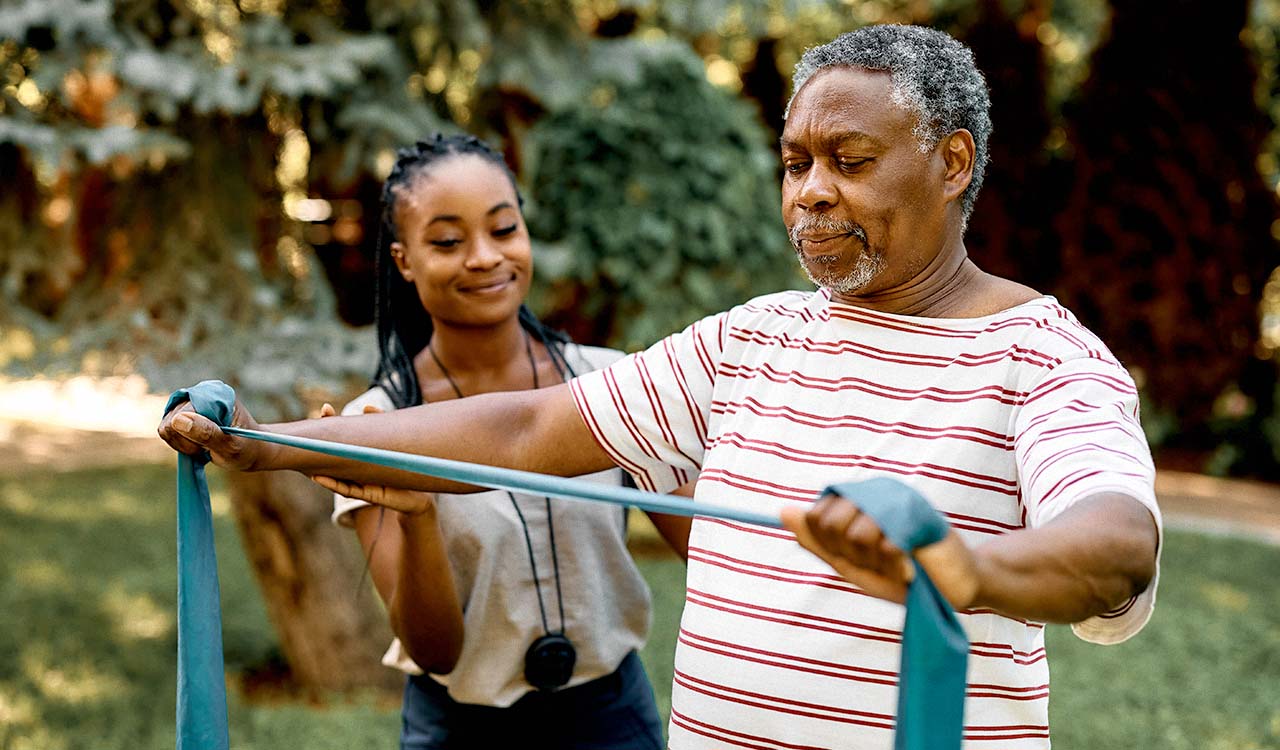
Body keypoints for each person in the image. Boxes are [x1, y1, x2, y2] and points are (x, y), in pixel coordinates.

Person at [159, 25, 1161, 749]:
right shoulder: (751, 337)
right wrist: (267, 444)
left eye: (848, 160)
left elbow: (1114, 547)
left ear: (949, 165)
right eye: (794, 161)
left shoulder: (1041, 356)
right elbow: (525, 430)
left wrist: (968, 574)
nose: (809, 189)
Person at [313, 134, 688, 749]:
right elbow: (434, 652)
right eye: (447, 242)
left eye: (503, 228)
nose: (485, 257)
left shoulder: (611, 384)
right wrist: (419, 515)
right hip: (459, 727)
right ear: (405, 260)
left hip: (612, 715)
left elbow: (711, 551)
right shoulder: (376, 425)